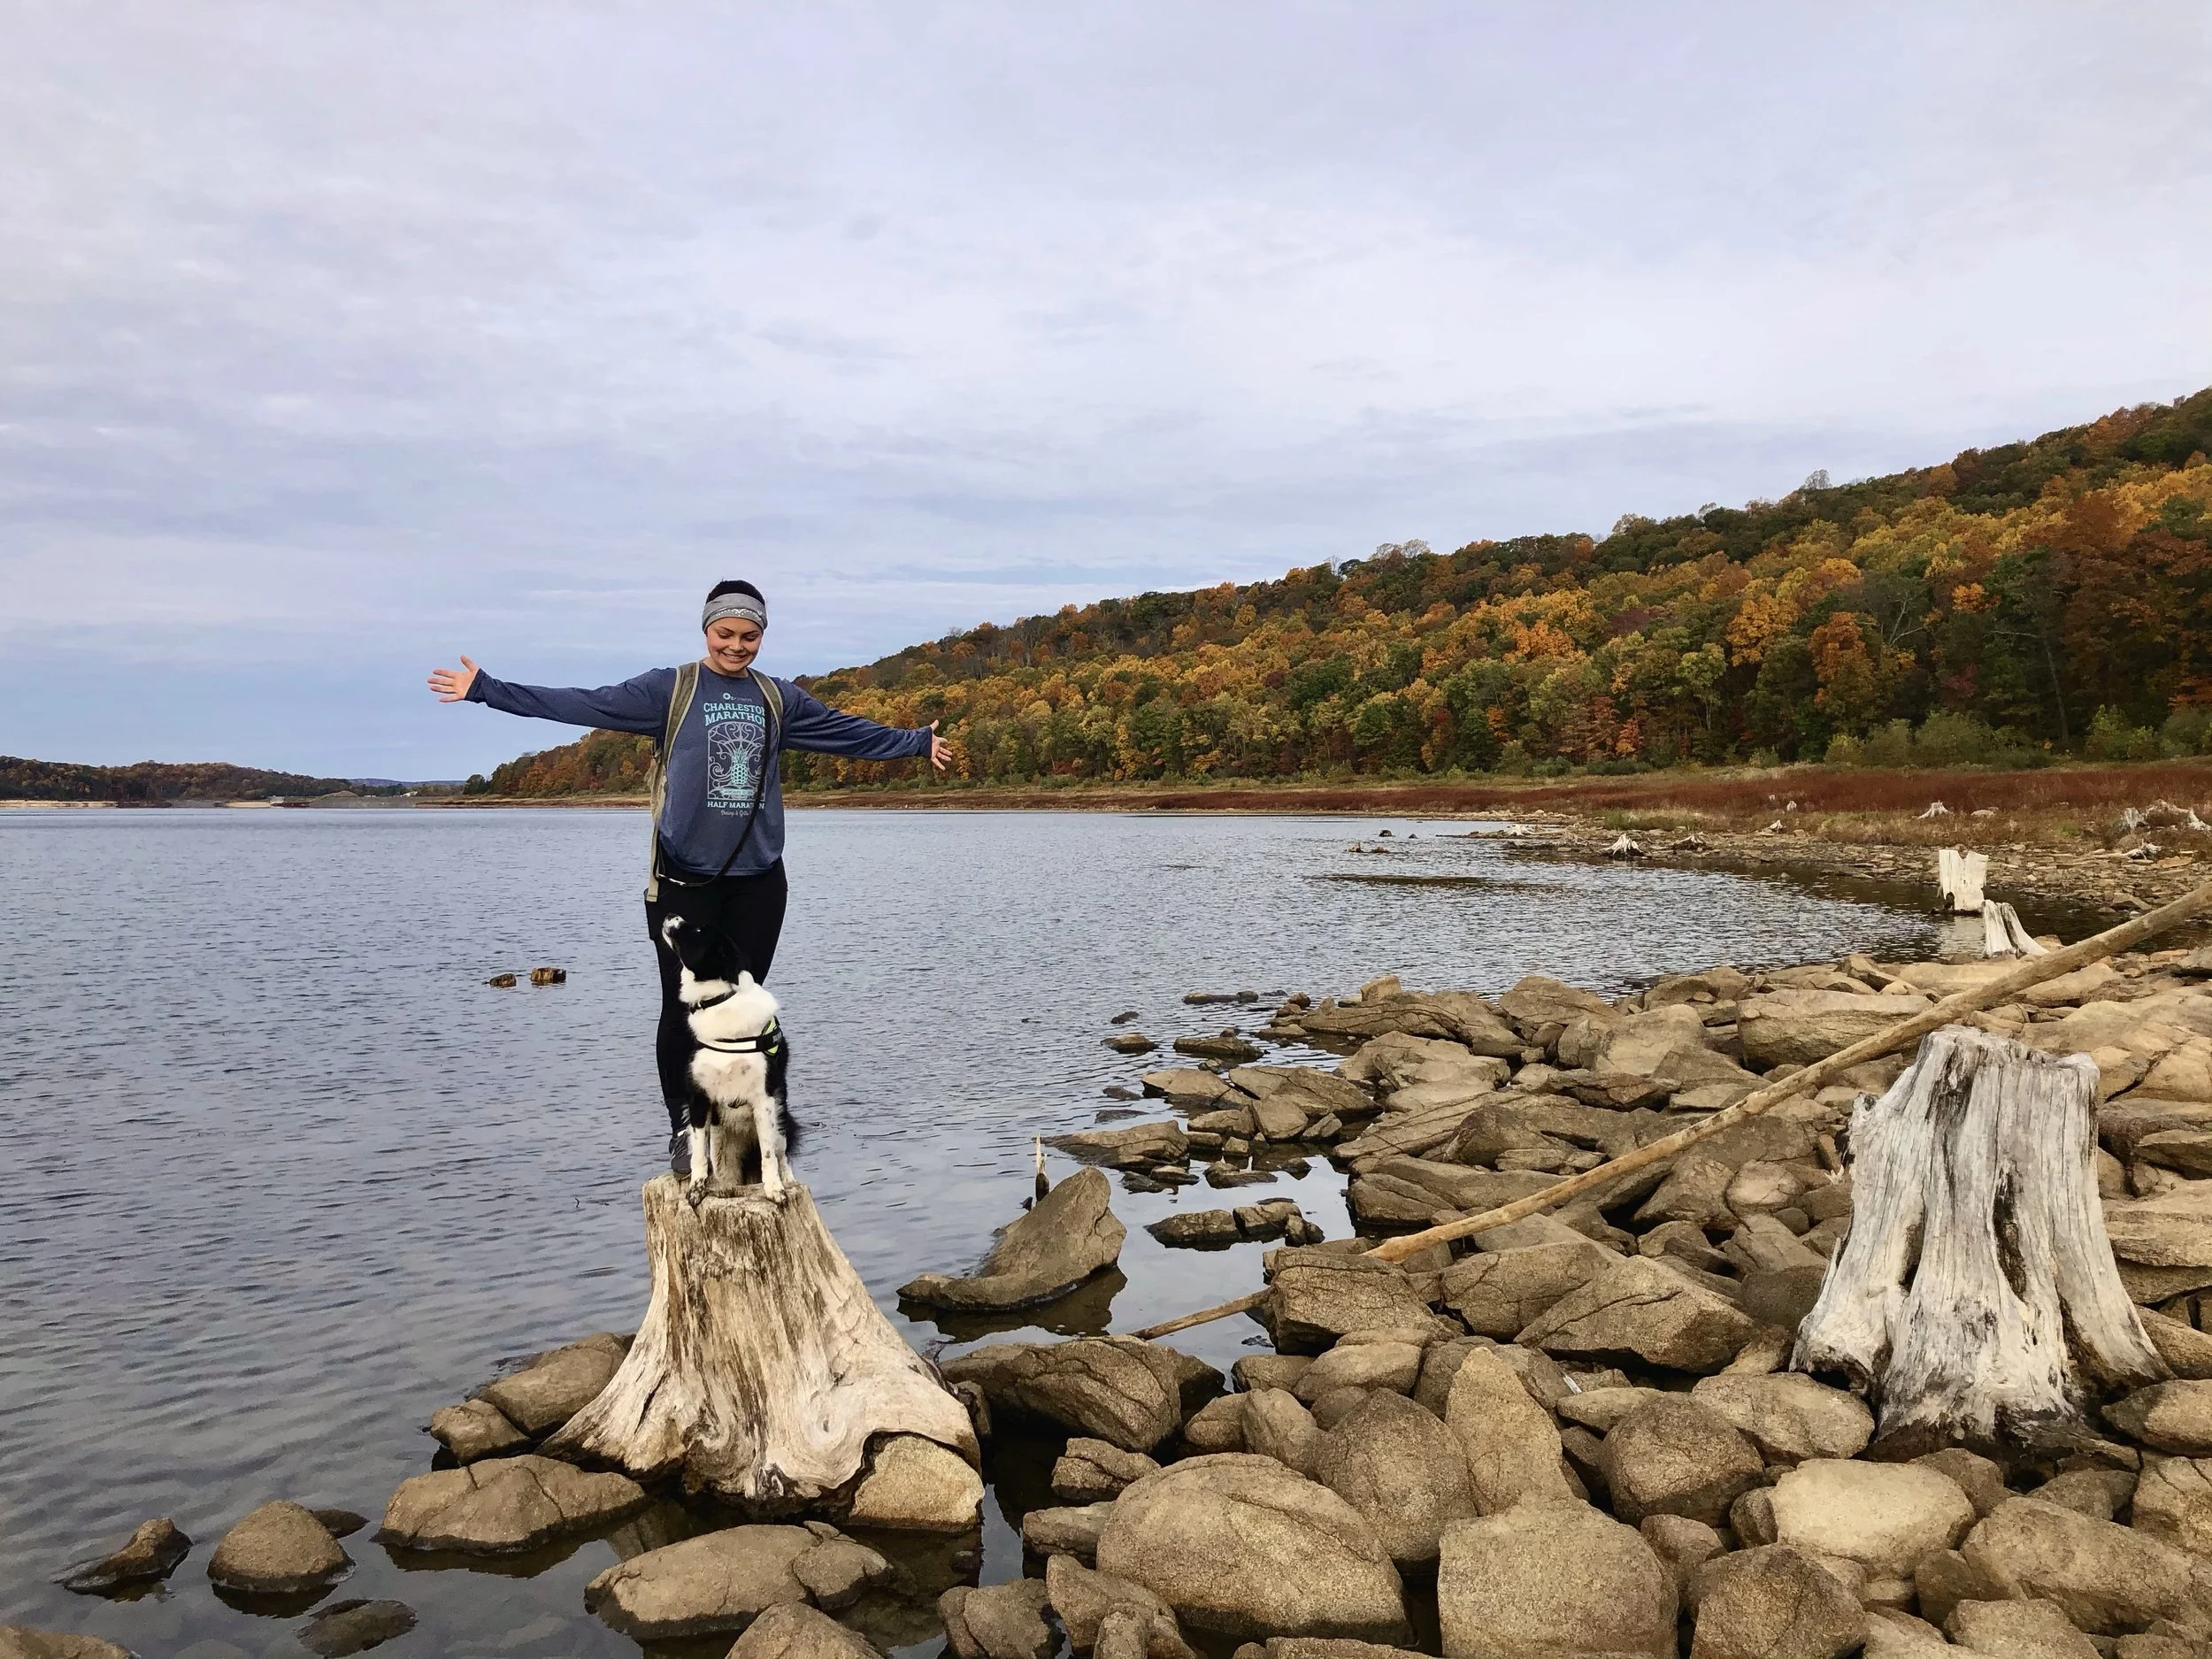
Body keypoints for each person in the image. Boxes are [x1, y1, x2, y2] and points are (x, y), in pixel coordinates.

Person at [427, 579, 950, 1172]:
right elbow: (582, 702)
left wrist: (914, 742)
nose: (736, 645)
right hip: (682, 882)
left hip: (758, 882)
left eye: (748, 635)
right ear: (706, 629)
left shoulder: (778, 699)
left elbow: (847, 731)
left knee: (738, 1006)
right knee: (683, 1008)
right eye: (725, 633)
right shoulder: (669, 690)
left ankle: (738, 1122)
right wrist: (486, 691)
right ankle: (686, 1126)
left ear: (762, 636)